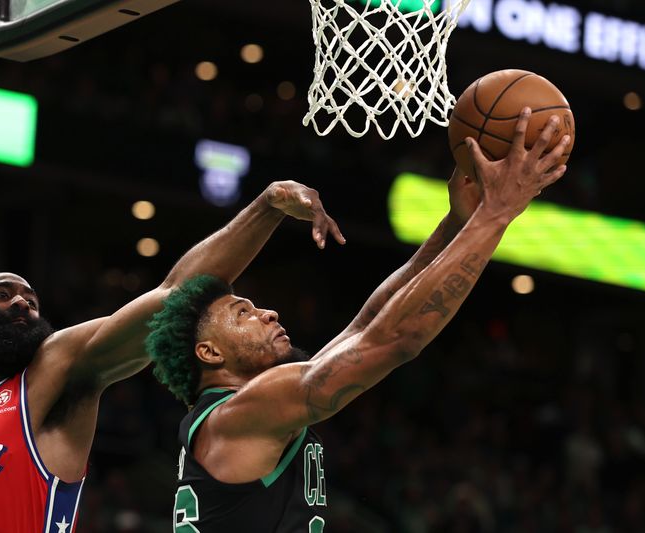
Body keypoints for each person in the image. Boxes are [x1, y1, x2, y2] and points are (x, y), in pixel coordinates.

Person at [147, 108, 571, 532]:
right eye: (243, 313)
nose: (269, 312)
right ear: (210, 351)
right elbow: (395, 338)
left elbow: (365, 327)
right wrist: (495, 214)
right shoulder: (241, 412)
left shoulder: (248, 409)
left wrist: (455, 224)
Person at [0, 180, 344, 532]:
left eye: (30, 298)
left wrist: (266, 207)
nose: (22, 303)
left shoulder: (56, 370)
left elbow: (172, 295)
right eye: (1, 294)